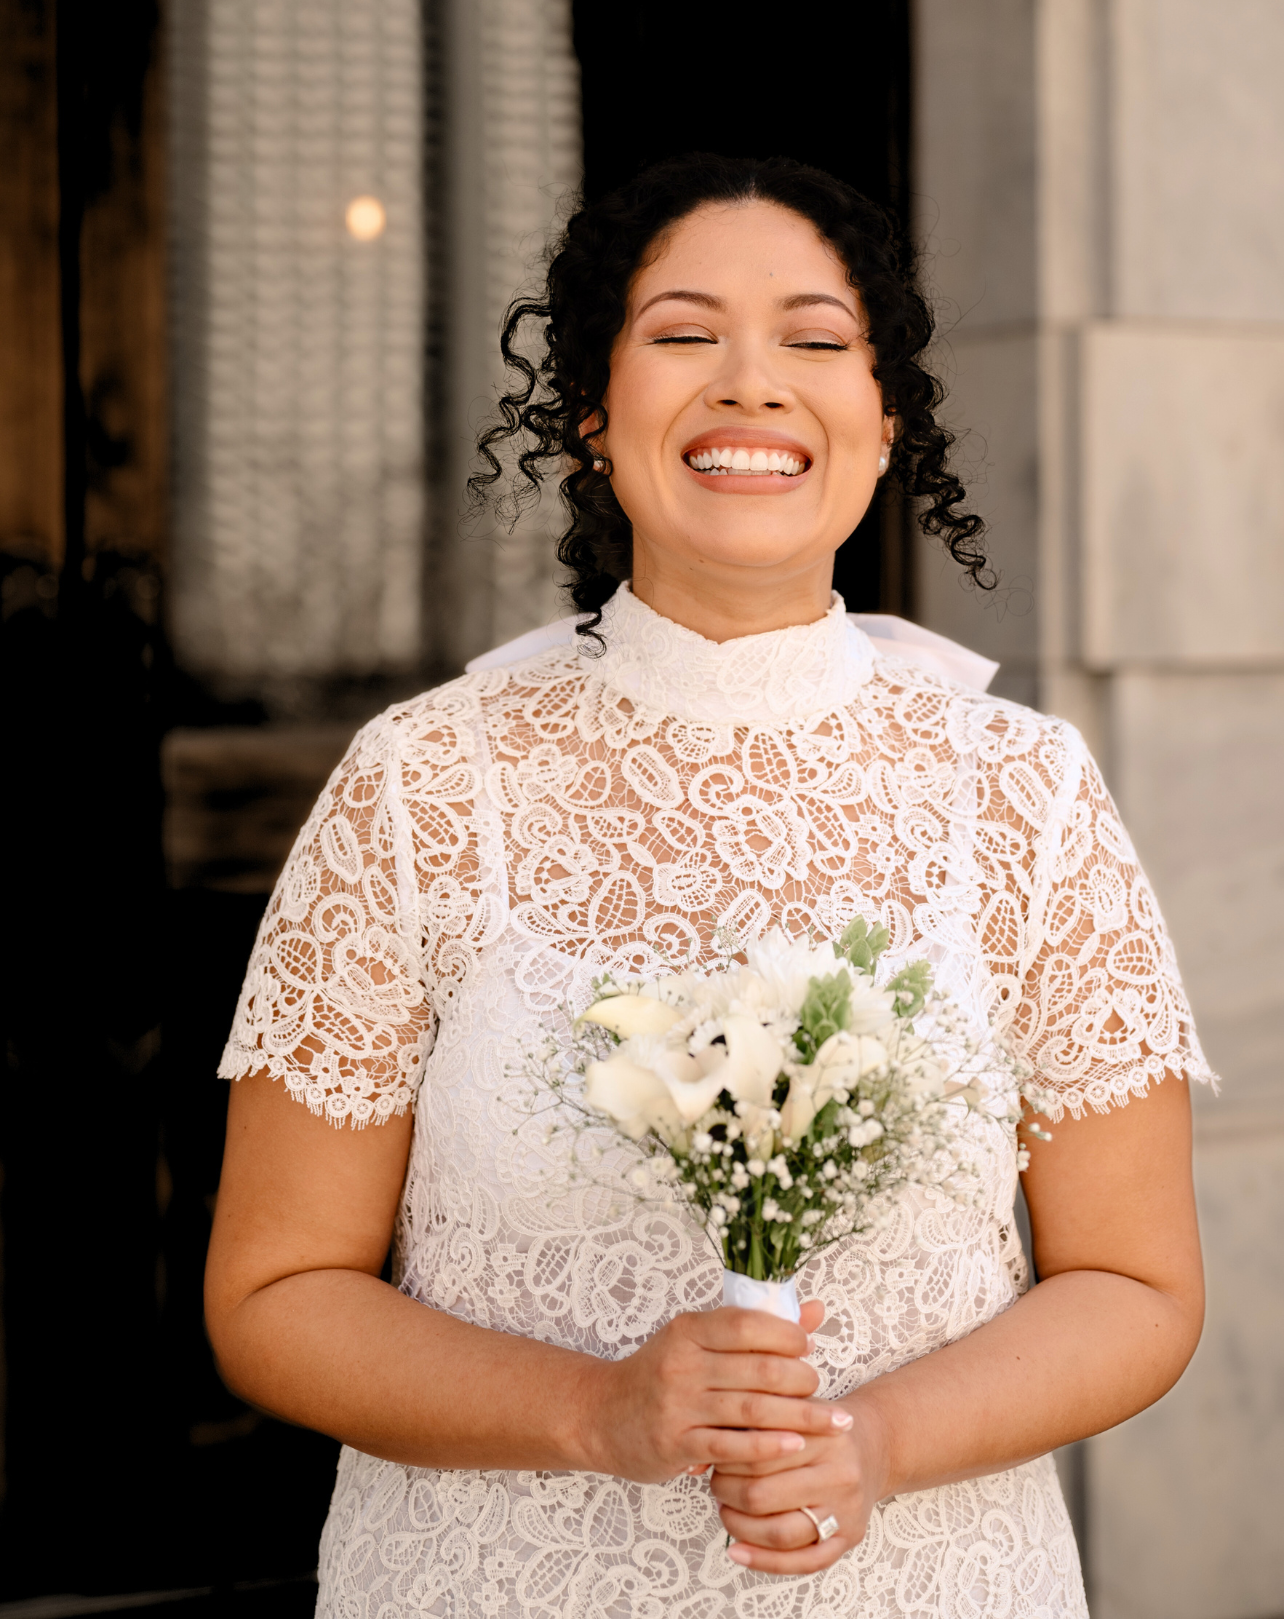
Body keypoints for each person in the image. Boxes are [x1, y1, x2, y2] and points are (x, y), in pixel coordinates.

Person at [205, 154, 1212, 1618]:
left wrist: (875, 1444)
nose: (752, 382)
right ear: (593, 420)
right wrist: (597, 1411)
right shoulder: (424, 784)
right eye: (685, 334)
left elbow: (1137, 1285)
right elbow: (273, 1296)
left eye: (815, 340)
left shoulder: (1025, 793)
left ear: (885, 424)